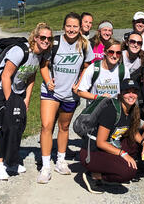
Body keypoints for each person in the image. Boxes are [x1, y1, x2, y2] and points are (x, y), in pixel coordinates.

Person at [0, 23, 53, 180]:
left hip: (18, 91)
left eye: (49, 38)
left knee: (18, 125)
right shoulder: (20, 51)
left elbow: (32, 76)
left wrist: (26, 99)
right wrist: (9, 102)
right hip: (0, 87)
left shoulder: (40, 55)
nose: (46, 41)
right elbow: (6, 76)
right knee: (6, 125)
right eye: (43, 37)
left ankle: (11, 161)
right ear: (35, 38)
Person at [38, 13, 95, 184]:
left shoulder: (85, 44)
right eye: (68, 26)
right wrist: (48, 81)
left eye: (75, 26)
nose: (71, 29)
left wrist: (80, 82)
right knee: (47, 126)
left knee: (64, 127)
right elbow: (43, 65)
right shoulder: (54, 42)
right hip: (51, 92)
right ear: (64, 27)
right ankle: (45, 166)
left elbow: (87, 65)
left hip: (71, 94)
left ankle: (61, 161)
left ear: (80, 28)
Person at [80, 79, 144, 193]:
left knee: (136, 146)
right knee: (128, 172)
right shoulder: (111, 110)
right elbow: (100, 142)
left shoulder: (131, 109)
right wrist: (123, 154)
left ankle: (112, 168)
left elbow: (133, 132)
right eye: (127, 91)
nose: (131, 95)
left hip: (109, 145)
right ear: (121, 94)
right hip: (92, 152)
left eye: (134, 91)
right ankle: (94, 175)